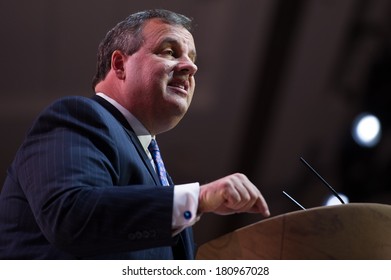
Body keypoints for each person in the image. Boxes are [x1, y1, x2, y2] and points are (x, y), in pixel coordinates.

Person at [0, 9, 269, 259]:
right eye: (170, 51)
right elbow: (71, 216)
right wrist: (197, 199)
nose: (191, 67)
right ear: (119, 65)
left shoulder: (156, 170)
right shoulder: (78, 117)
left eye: (192, 58)